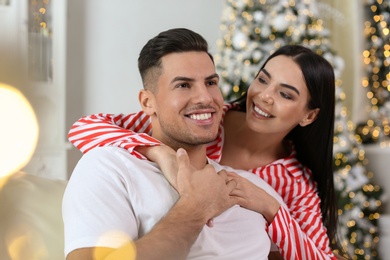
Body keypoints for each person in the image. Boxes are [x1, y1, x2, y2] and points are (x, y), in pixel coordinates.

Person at [68, 33, 340, 258]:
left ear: (309, 115)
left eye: (285, 94)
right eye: (263, 80)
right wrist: (159, 153)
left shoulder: (288, 185)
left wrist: (270, 207)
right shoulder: (206, 118)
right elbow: (84, 128)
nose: (265, 97)